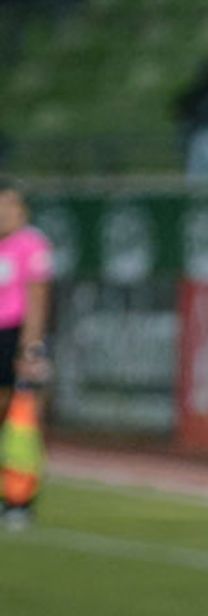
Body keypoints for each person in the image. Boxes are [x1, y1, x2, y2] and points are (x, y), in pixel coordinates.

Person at [0, 177, 52, 529]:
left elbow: (37, 298)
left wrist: (31, 347)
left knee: (20, 420)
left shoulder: (31, 244)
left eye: (10, 206)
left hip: (15, 336)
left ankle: (19, 500)